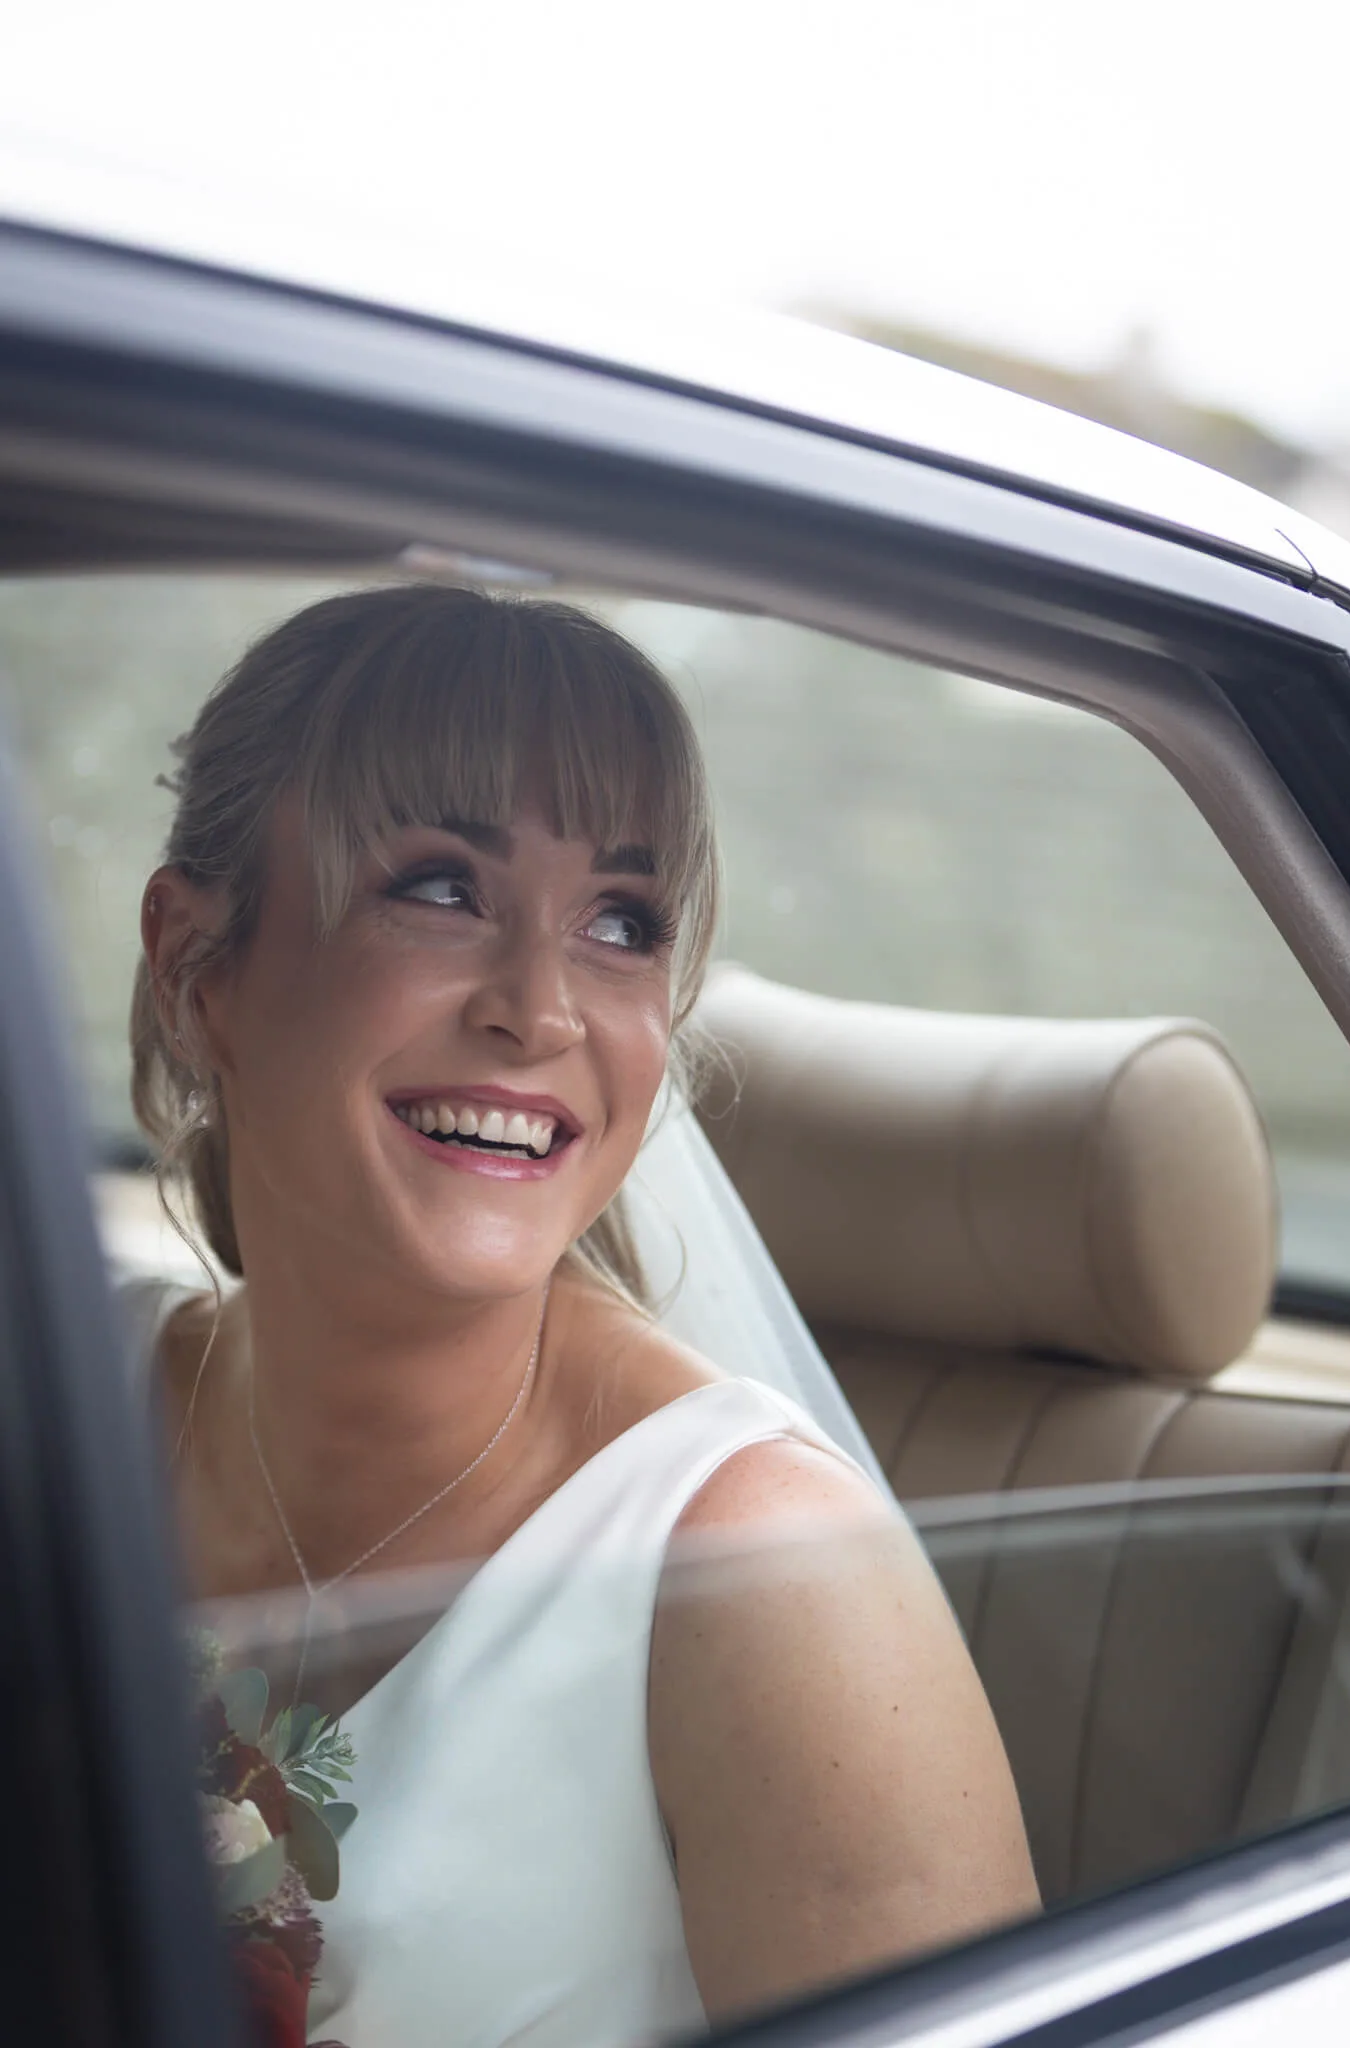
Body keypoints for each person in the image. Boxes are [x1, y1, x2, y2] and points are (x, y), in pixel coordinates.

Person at [130, 584, 1037, 2047]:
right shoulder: (64, 1387)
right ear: (195, 968)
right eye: (438, 887)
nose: (540, 1008)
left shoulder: (770, 1575)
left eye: (621, 921)